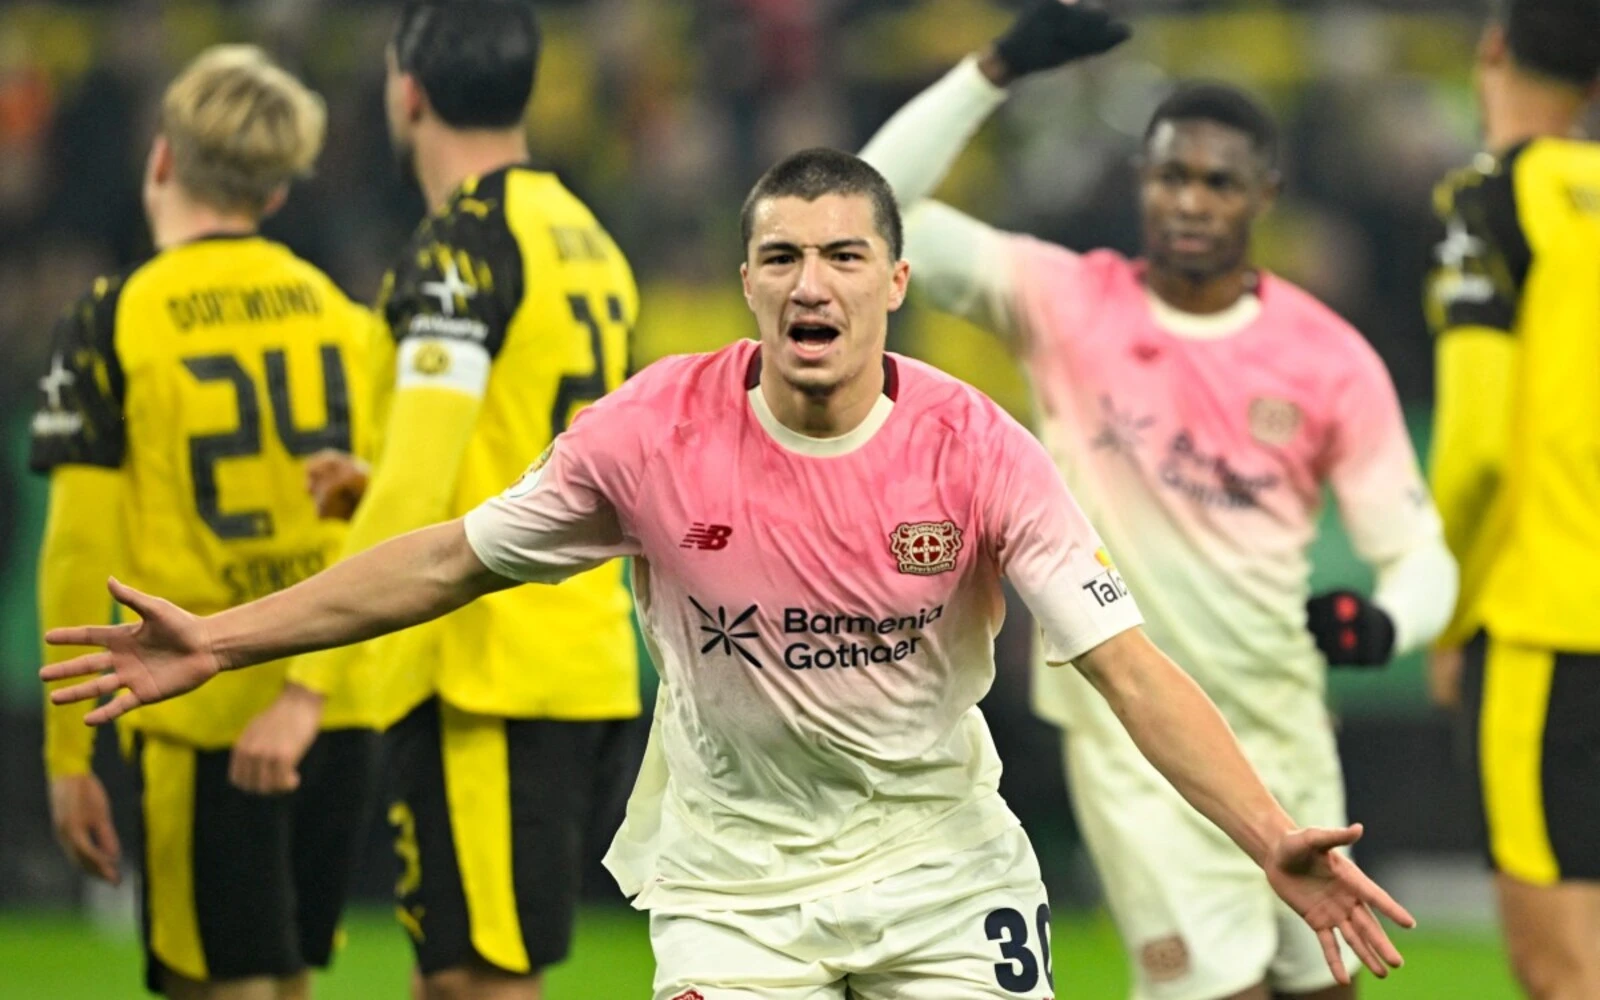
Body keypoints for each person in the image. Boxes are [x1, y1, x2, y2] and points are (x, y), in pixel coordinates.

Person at [44, 148, 1415, 1000]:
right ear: (748, 282)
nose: (811, 283)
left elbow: (1125, 665)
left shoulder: (980, 450)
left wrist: (1266, 834)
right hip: (734, 890)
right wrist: (224, 640)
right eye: (782, 257)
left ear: (893, 282)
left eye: (843, 256)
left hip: (943, 871)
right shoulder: (648, 434)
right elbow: (448, 560)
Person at [857, 5, 1458, 999]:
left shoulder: (1327, 357)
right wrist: (994, 70)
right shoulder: (1063, 300)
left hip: (1282, 722)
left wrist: (1387, 621)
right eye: (1172, 174)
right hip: (1132, 739)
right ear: (1143, 181)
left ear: (1264, 194)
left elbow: (1417, 550)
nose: (1190, 199)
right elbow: (863, 210)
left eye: (1218, 181)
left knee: (1328, 990)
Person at [229, 2, 642, 998]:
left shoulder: (460, 249)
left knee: (474, 980)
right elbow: (535, 448)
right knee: (450, 970)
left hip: (484, 669)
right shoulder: (585, 235)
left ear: (407, 91)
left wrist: (306, 687)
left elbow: (418, 487)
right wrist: (373, 479)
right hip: (578, 649)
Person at [30, 45, 378, 1000]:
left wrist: (69, 757)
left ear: (161, 158)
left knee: (219, 984)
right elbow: (382, 509)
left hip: (198, 704)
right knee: (288, 975)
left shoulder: (113, 318)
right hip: (331, 702)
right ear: (276, 191)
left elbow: (77, 545)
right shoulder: (344, 315)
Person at [1424, 1, 1600, 997]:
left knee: (1560, 969)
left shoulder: (1487, 203)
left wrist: (1447, 610)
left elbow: (1476, 452)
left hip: (1547, 624)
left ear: (1491, 48)